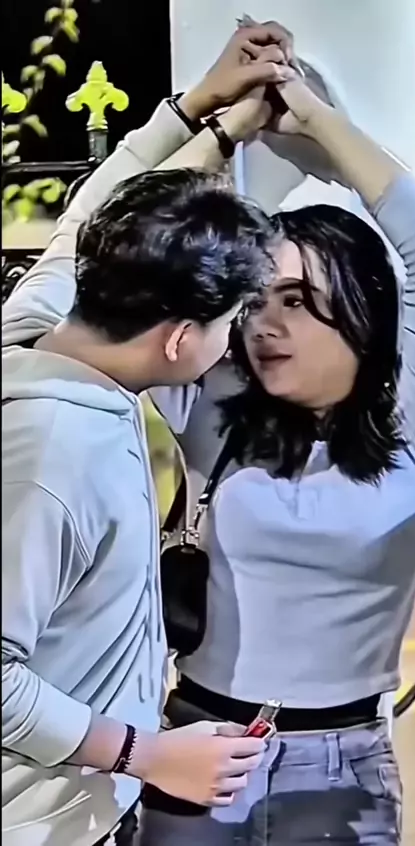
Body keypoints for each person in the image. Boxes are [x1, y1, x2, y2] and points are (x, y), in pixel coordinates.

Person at [135, 22, 415, 846]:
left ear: (362, 310)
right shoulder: (218, 409)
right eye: (255, 302)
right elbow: (142, 251)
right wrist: (223, 124)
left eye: (295, 300)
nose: (265, 325)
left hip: (343, 773)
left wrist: (317, 120)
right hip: (194, 747)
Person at [1, 24, 297, 846]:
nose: (233, 344)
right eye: (229, 324)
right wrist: (147, 754)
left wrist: (204, 111)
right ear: (179, 340)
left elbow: (92, 210)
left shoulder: (42, 324)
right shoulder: (54, 455)